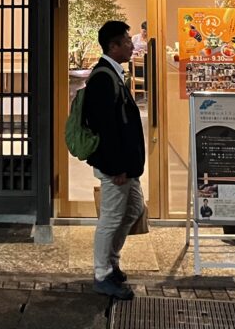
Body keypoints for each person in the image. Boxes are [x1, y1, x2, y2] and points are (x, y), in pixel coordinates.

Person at [83, 20, 146, 300]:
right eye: (127, 41)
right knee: (110, 219)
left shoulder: (113, 74)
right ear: (113, 46)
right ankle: (102, 274)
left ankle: (112, 262)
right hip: (115, 167)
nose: (132, 45)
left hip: (126, 165)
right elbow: (105, 127)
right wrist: (116, 166)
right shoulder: (103, 78)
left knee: (133, 209)